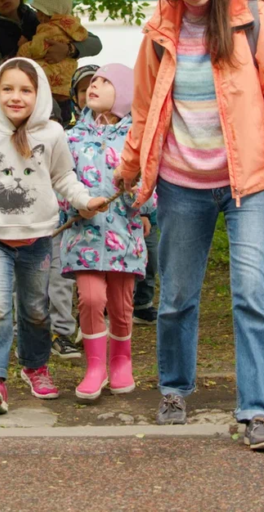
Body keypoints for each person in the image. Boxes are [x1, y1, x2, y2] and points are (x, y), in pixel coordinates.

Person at [116, 0, 264, 451]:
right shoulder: (159, 27)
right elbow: (144, 108)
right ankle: (174, 389)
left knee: (251, 293)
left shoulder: (254, 18)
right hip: (182, 183)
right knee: (175, 296)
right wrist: (130, 168)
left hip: (252, 185)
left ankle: (257, 413)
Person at [0, 59, 109, 415]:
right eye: (8, 89)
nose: (16, 97)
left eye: (25, 90)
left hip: (38, 240)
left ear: (40, 93)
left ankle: (35, 367)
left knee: (35, 311)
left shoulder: (51, 134)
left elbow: (64, 177)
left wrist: (84, 200)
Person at [59, 64, 154, 401]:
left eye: (105, 81)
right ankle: (95, 366)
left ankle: (121, 361)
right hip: (84, 238)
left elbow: (153, 197)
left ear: (126, 94)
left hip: (124, 240)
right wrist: (76, 205)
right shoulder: (71, 138)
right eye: (93, 81)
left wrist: (135, 196)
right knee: (91, 298)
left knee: (120, 303)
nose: (94, 86)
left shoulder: (137, 140)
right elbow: (59, 183)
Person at [17, 0, 88, 125]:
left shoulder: (50, 29)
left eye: (39, 11)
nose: (37, 15)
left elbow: (36, 48)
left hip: (49, 90)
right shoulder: (72, 26)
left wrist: (22, 49)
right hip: (65, 91)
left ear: (47, 12)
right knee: (62, 125)